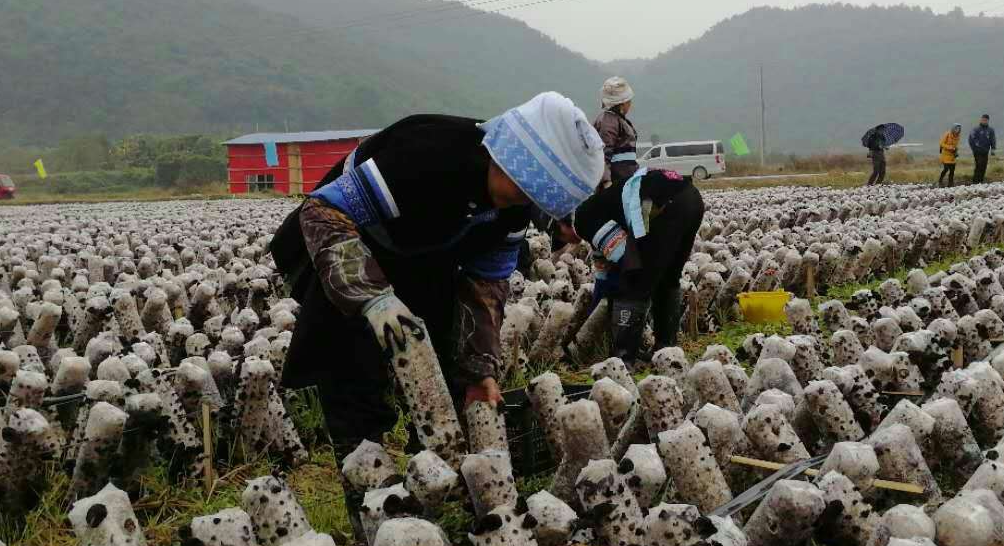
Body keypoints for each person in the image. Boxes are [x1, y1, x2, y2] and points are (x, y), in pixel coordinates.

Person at [269, 92, 603, 458]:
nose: (523, 201)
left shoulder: (513, 208)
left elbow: (487, 285)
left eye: (533, 197)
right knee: (353, 367)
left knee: (444, 363)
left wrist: (480, 369)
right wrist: (372, 297)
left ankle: (431, 468)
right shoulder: (430, 155)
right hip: (347, 247)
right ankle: (367, 483)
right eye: (523, 190)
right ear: (509, 160)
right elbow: (323, 212)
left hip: (423, 258)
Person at [571, 166, 704, 364]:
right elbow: (604, 259)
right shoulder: (604, 202)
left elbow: (622, 255)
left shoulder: (582, 219)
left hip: (665, 206)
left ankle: (624, 356)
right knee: (668, 277)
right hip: (692, 199)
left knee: (636, 282)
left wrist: (620, 288)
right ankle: (665, 349)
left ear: (563, 225)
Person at [593, 76, 639, 188]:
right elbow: (604, 153)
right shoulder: (608, 122)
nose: (630, 104)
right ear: (622, 103)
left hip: (627, 177)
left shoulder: (620, 119)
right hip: (616, 181)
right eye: (629, 101)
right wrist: (606, 181)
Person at [968, 114, 997, 184]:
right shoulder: (976, 129)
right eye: (983, 120)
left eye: (986, 120)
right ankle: (975, 182)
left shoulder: (990, 130)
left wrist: (993, 149)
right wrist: (974, 149)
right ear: (981, 120)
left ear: (988, 121)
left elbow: (993, 139)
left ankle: (981, 181)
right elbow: (971, 139)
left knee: (984, 166)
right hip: (977, 151)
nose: (984, 121)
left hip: (985, 151)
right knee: (979, 165)